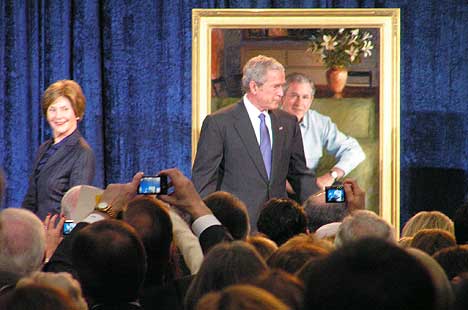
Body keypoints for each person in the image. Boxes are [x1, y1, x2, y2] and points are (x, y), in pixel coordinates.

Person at [192, 55, 319, 229]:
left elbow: (300, 176)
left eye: (282, 86)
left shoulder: (288, 123)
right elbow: (204, 182)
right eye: (276, 86)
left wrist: (327, 205)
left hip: (279, 228)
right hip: (236, 227)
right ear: (254, 87)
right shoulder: (219, 123)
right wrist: (208, 227)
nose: (281, 93)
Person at [22, 79, 95, 220]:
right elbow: (31, 198)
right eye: (52, 109)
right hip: (37, 233)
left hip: (58, 235)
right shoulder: (44, 148)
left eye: (65, 109)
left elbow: (77, 210)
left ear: (77, 113)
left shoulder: (82, 152)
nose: (58, 116)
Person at [281, 73, 365, 189]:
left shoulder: (320, 122)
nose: (299, 103)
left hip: (308, 189)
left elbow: (354, 150)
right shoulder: (267, 121)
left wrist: (332, 175)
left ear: (311, 100)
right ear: (282, 97)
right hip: (276, 189)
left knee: (339, 196)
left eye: (305, 97)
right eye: (294, 96)